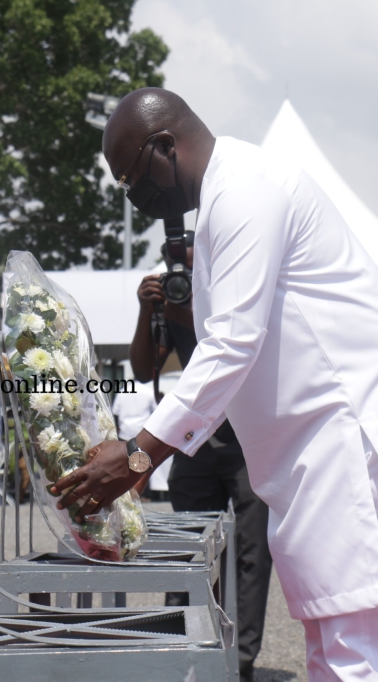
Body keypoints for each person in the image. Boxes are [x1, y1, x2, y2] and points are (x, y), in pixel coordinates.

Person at [51, 88, 378, 682]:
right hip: (321, 437)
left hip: (350, 425)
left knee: (351, 637)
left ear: (165, 146)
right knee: (333, 626)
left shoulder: (245, 189)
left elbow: (232, 342)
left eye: (131, 178)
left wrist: (136, 455)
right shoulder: (225, 199)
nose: (134, 196)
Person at [128, 234, 272, 681]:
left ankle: (240, 658)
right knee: (188, 545)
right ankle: (184, 645)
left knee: (252, 549)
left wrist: (185, 311)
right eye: (177, 266)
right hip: (195, 437)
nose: (184, 274)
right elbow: (140, 369)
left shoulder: (237, 290)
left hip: (248, 436)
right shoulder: (171, 300)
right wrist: (147, 311)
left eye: (191, 264)